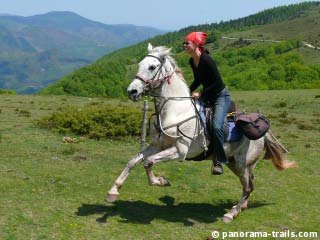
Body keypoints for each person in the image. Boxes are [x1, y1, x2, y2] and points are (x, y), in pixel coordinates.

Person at [183, 31, 231, 175]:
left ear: (196, 44)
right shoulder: (192, 61)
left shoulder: (206, 60)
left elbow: (217, 82)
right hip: (208, 95)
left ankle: (218, 160)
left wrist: (201, 94)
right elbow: (198, 80)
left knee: (216, 126)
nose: (184, 45)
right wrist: (186, 92)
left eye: (187, 43)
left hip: (220, 96)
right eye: (184, 43)